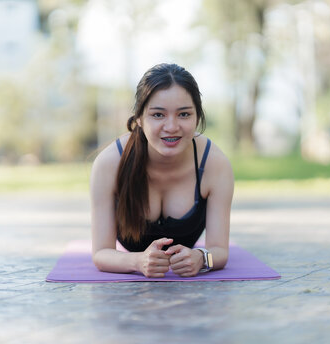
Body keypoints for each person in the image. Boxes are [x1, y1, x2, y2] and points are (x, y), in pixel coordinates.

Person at [90, 63, 234, 278]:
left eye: (184, 114)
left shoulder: (214, 164)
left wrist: (202, 258)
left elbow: (220, 251)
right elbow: (101, 253)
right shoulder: (109, 164)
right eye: (158, 115)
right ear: (139, 118)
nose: (171, 127)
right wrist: (137, 261)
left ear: (197, 116)